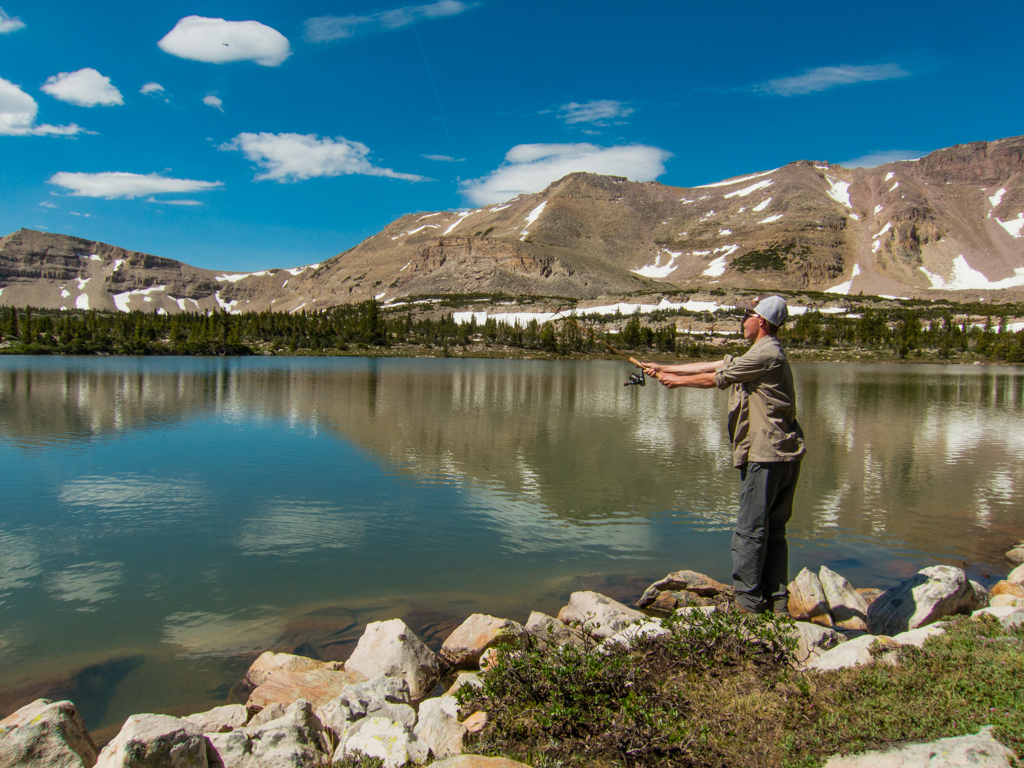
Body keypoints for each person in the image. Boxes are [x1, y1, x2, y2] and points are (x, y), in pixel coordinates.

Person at [640, 295, 805, 614]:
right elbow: (716, 364)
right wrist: (664, 368)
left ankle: (747, 604)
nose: (743, 321)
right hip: (786, 455)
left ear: (763, 322)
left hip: (766, 456)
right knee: (774, 530)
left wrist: (676, 382)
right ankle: (777, 603)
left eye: (748, 315)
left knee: (751, 529)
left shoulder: (765, 354)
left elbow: (717, 378)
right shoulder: (765, 352)